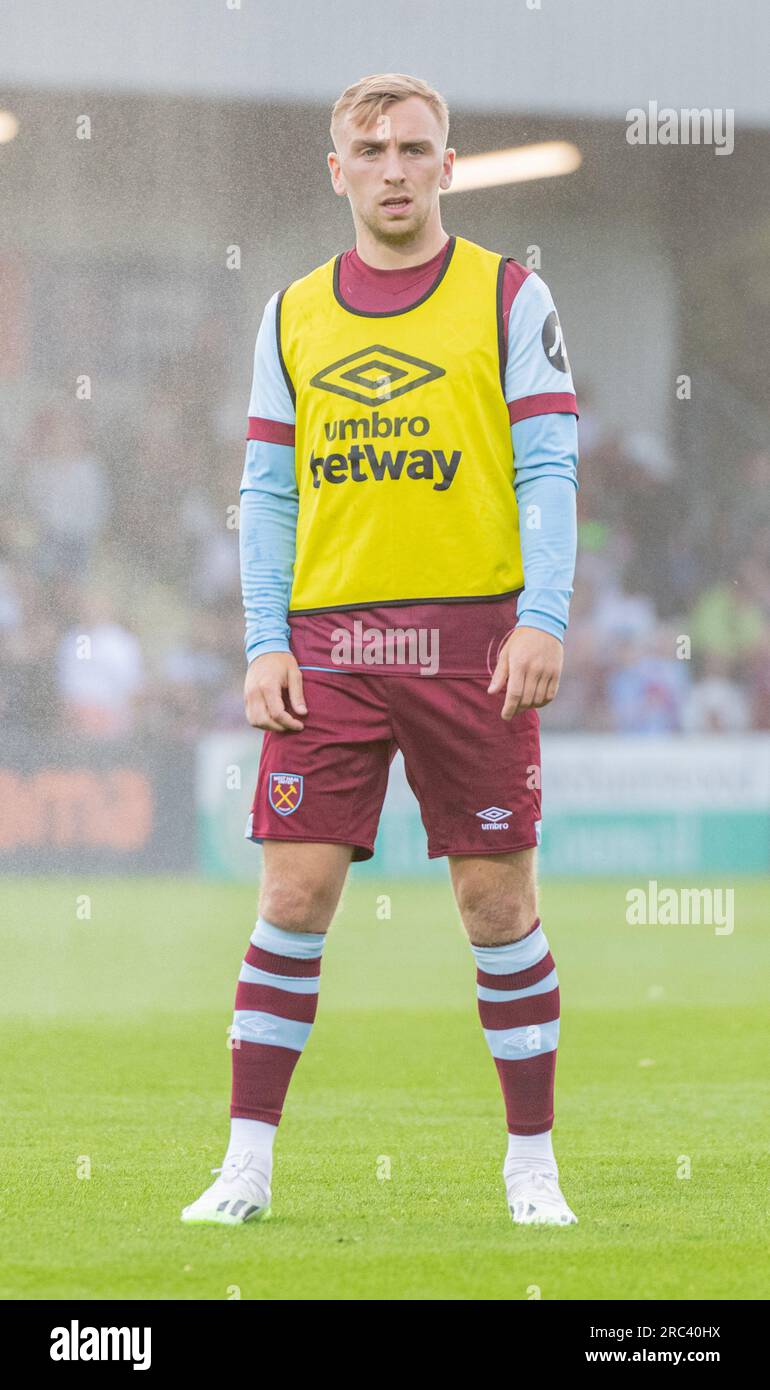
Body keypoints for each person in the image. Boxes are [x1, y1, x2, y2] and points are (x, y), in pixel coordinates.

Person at [182, 73, 580, 1228]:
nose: (394, 167)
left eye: (415, 148)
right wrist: (266, 641)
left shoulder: (508, 293)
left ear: (447, 165)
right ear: (338, 169)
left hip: (473, 641)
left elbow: (549, 468)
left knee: (494, 907)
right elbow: (265, 490)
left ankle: (530, 1168)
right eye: (372, 149)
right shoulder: (292, 311)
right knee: (293, 893)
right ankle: (245, 1168)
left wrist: (543, 615)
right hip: (334, 644)